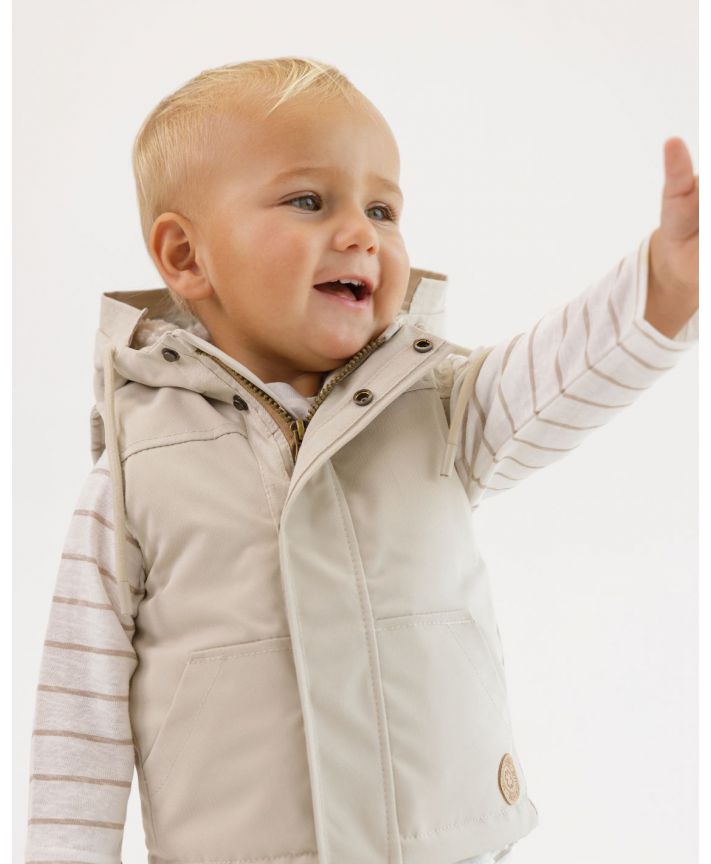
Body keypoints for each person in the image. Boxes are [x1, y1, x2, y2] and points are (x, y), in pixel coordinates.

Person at [23, 57, 698, 864]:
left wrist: (663, 285)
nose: (360, 234)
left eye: (382, 209)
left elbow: (561, 370)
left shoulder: (439, 406)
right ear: (186, 256)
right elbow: (80, 706)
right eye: (309, 201)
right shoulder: (136, 468)